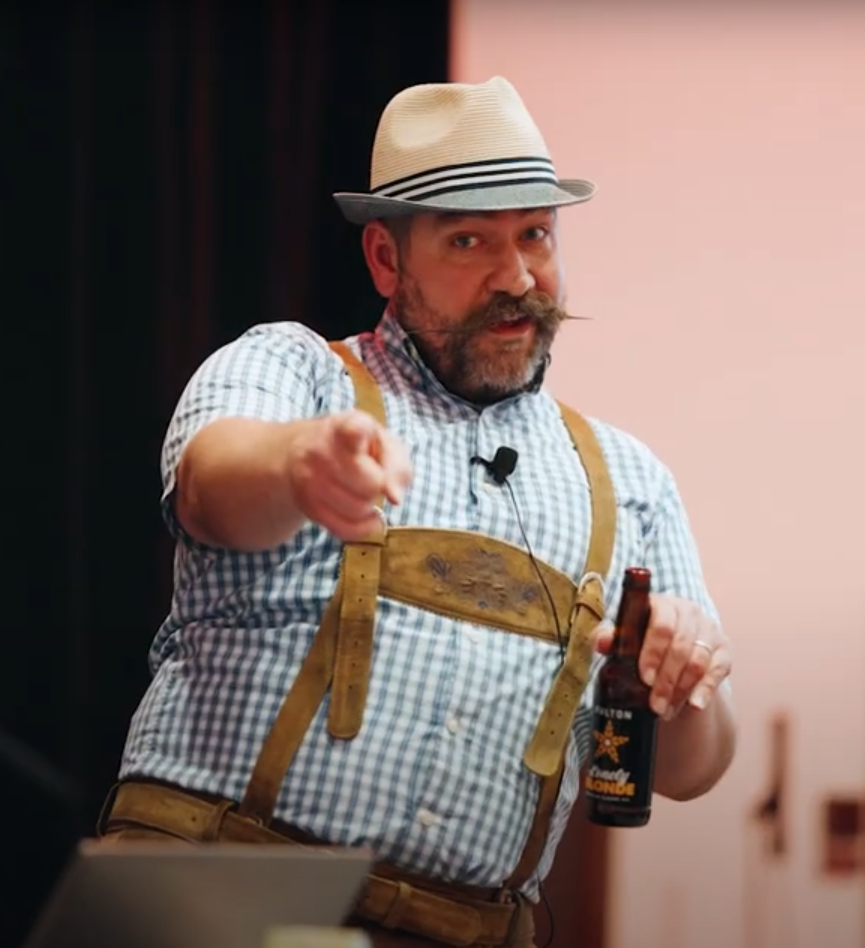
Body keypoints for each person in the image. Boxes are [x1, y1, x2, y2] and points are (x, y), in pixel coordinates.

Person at [97, 76, 736, 947]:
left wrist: (683, 681)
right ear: (386, 261)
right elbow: (212, 490)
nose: (516, 276)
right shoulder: (296, 374)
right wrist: (295, 465)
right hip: (216, 899)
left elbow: (691, 772)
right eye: (468, 239)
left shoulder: (628, 481)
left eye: (535, 235)